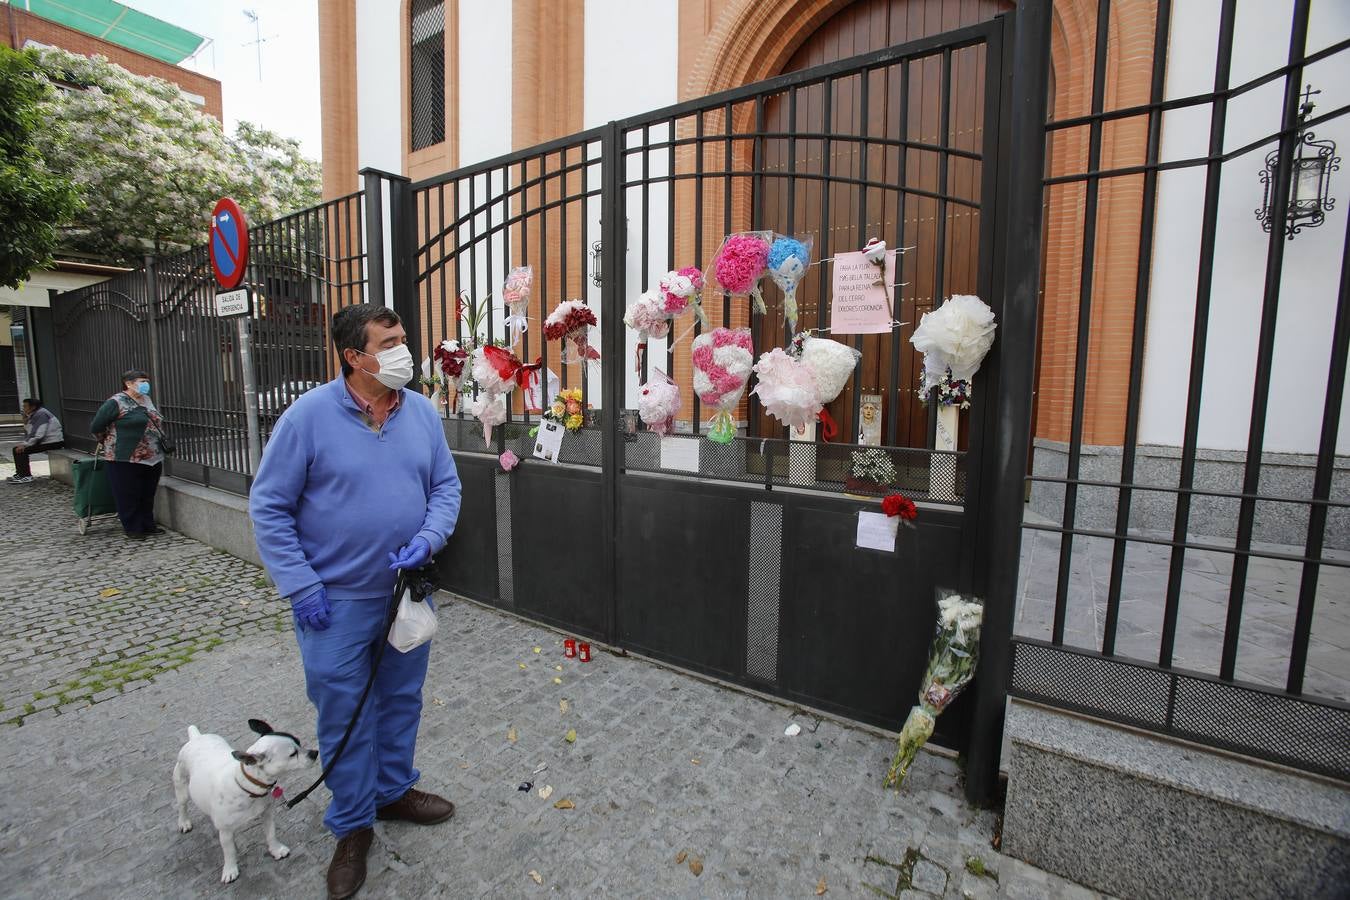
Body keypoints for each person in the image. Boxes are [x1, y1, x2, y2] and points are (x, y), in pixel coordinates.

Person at [249, 303, 461, 900]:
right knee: (344, 712)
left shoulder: (419, 412)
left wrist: (429, 535)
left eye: (402, 339)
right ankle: (351, 826)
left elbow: (445, 486)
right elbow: (268, 507)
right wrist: (300, 583)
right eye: (389, 342)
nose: (403, 350)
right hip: (333, 602)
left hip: (404, 595)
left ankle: (393, 791)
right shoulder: (308, 418)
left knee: (400, 699)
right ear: (353, 356)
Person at [89, 370, 167, 539]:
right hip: (125, 456)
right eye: (141, 381)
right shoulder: (116, 402)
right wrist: (108, 441)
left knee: (147, 493)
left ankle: (147, 524)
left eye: (146, 381)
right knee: (127, 493)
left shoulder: (146, 400)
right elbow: (96, 426)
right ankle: (133, 527)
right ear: (128, 383)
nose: (145, 384)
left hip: (151, 456)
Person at [7, 398, 65, 484]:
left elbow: (38, 434)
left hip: (53, 442)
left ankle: (26, 476)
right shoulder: (35, 414)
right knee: (16, 449)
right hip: (46, 441)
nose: (23, 408)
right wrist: (25, 421)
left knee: (22, 450)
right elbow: (30, 431)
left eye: (25, 406)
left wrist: (25, 445)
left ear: (33, 407)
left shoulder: (41, 414)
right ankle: (20, 474)